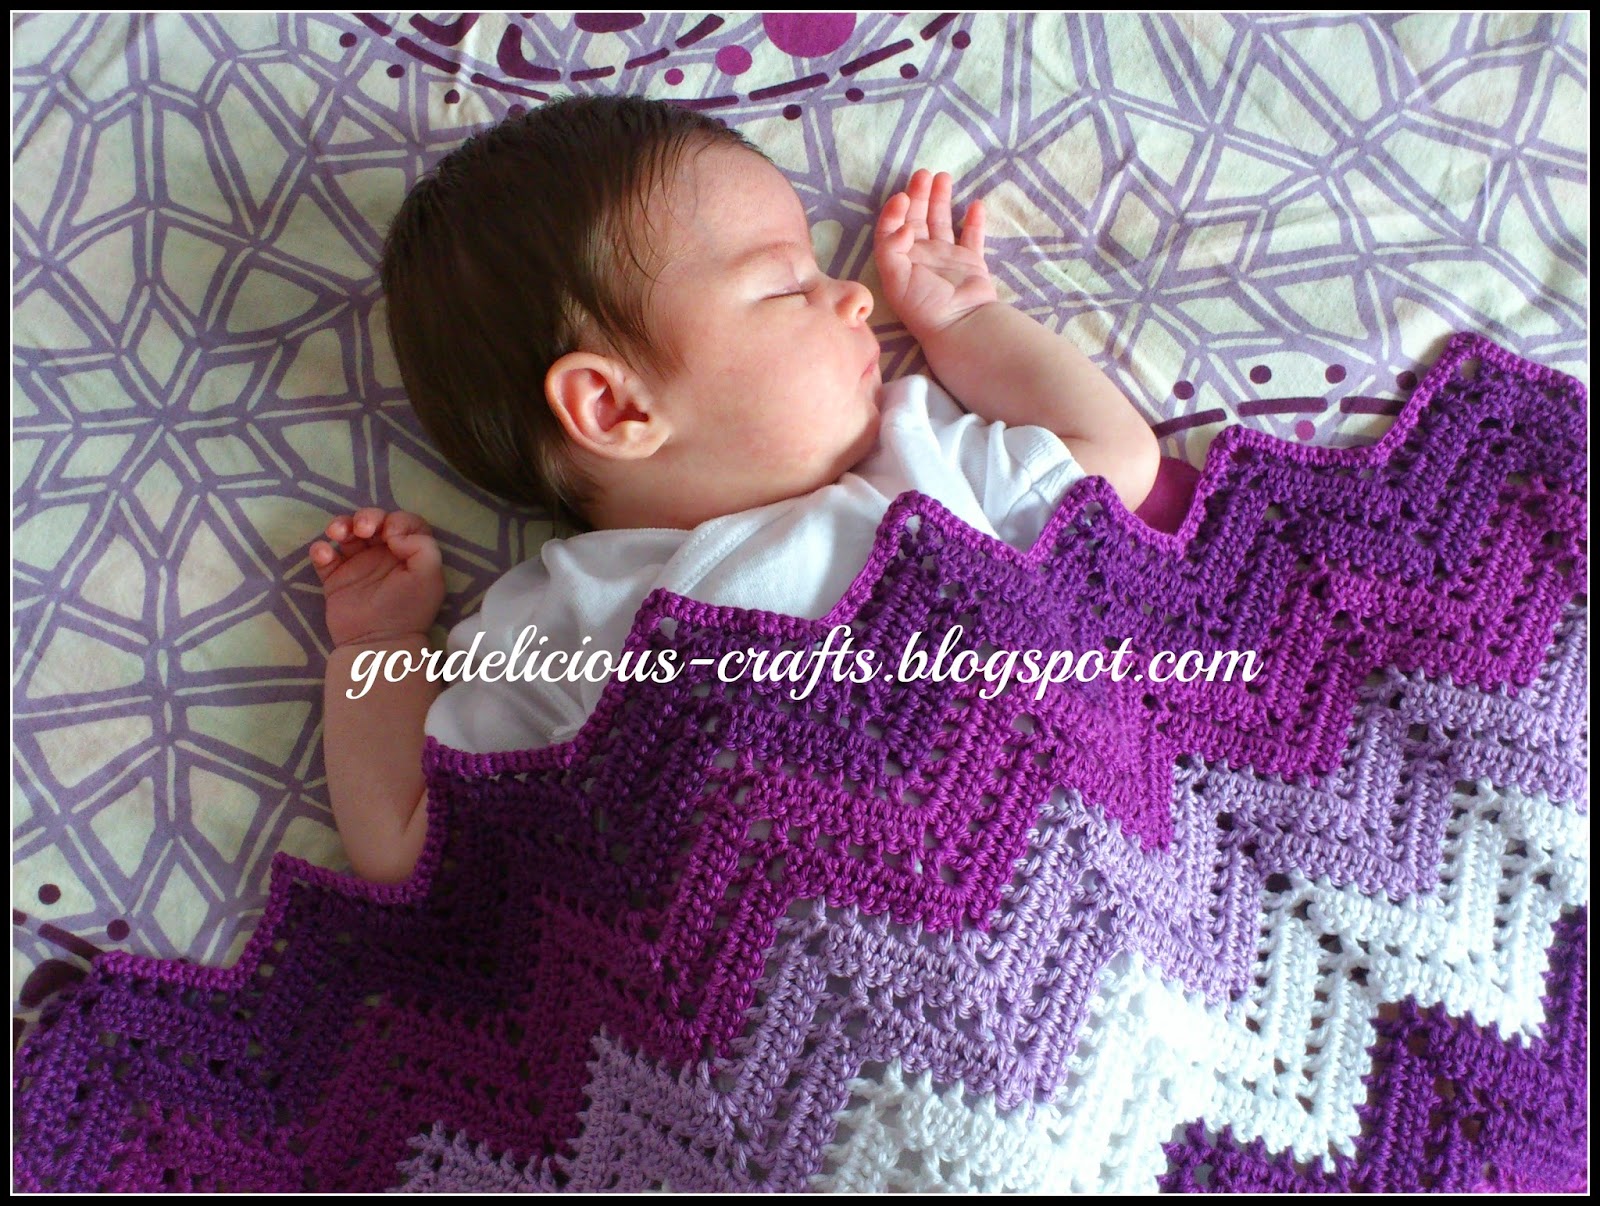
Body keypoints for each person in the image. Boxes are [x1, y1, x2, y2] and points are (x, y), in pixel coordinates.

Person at [309, 96, 1159, 884]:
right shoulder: (564, 616)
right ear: (613, 407)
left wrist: (967, 320)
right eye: (789, 284)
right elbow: (408, 847)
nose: (856, 297)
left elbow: (1117, 458)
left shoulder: (917, 458)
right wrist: (377, 644)